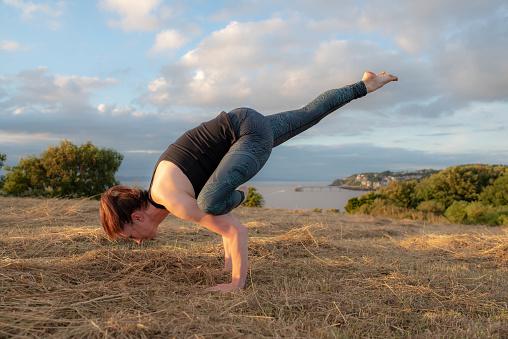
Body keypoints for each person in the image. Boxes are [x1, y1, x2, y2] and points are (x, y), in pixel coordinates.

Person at [99, 70, 398, 292]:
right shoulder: (163, 190)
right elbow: (222, 227)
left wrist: (235, 283)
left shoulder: (174, 201)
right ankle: (367, 83)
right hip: (244, 123)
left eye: (130, 235)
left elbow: (235, 230)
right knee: (310, 114)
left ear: (137, 216)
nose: (137, 242)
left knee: (210, 201)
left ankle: (240, 193)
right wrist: (227, 261)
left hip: (246, 133)